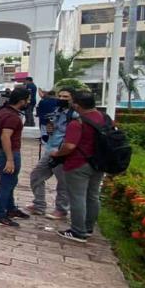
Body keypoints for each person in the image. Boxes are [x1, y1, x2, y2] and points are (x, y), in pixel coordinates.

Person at [51, 91, 106, 243]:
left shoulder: (78, 123)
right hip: (98, 163)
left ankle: (78, 231)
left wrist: (57, 154)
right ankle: (88, 228)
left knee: (77, 197)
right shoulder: (105, 118)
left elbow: (69, 146)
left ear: (76, 105)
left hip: (79, 164)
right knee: (93, 196)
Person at [26, 87, 75, 220]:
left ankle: (61, 210)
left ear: (72, 99)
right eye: (60, 96)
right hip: (51, 147)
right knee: (36, 175)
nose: (62, 99)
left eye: (66, 97)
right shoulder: (57, 111)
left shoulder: (74, 115)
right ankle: (39, 204)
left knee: (63, 182)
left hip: (63, 151)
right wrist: (49, 129)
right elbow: (55, 129)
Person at [0, 87, 32, 227]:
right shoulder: (12, 117)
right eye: (28, 99)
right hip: (7, 153)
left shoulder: (5, 111)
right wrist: (10, 159)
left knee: (10, 182)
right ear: (22, 101)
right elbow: (5, 137)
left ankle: (10, 208)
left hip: (3, 152)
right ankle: (0, 214)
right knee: (6, 184)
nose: (29, 102)